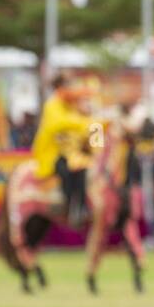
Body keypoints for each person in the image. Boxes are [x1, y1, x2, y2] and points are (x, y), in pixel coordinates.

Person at [31, 74, 95, 227]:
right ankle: (70, 206)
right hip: (56, 154)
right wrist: (85, 121)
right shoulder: (52, 106)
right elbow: (58, 125)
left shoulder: (74, 107)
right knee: (69, 169)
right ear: (59, 88)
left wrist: (92, 119)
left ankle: (83, 207)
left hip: (79, 154)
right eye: (68, 86)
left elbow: (95, 135)